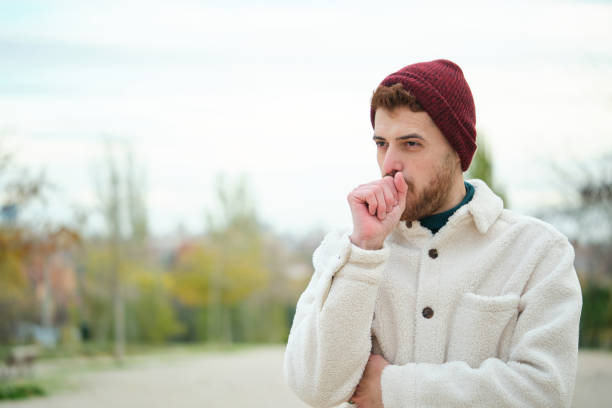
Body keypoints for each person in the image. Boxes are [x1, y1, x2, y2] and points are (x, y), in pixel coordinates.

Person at [283, 59, 582, 408]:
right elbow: (315, 388)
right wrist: (365, 253)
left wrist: (395, 389)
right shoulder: (346, 249)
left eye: (411, 144)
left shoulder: (538, 251)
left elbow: (545, 392)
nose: (389, 163)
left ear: (457, 151)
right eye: (382, 143)